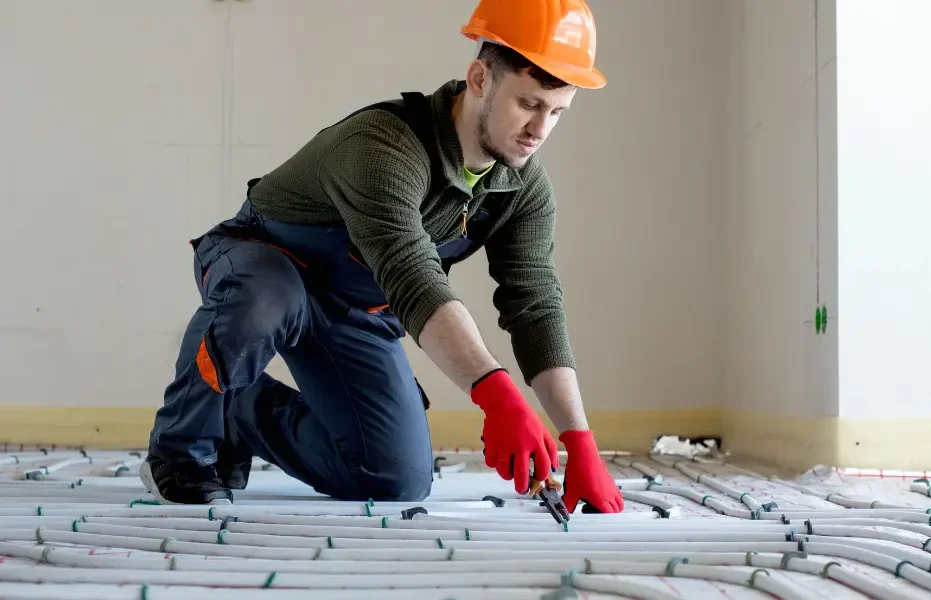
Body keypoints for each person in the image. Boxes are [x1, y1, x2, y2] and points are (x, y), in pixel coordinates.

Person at [140, 0, 624, 515]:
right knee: (264, 303)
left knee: (394, 477)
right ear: (480, 77)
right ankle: (177, 454)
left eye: (557, 112)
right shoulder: (384, 146)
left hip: (354, 308)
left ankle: (238, 413)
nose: (540, 129)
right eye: (528, 104)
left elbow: (536, 307)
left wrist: (580, 440)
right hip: (263, 261)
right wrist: (496, 394)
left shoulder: (522, 187)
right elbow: (414, 276)